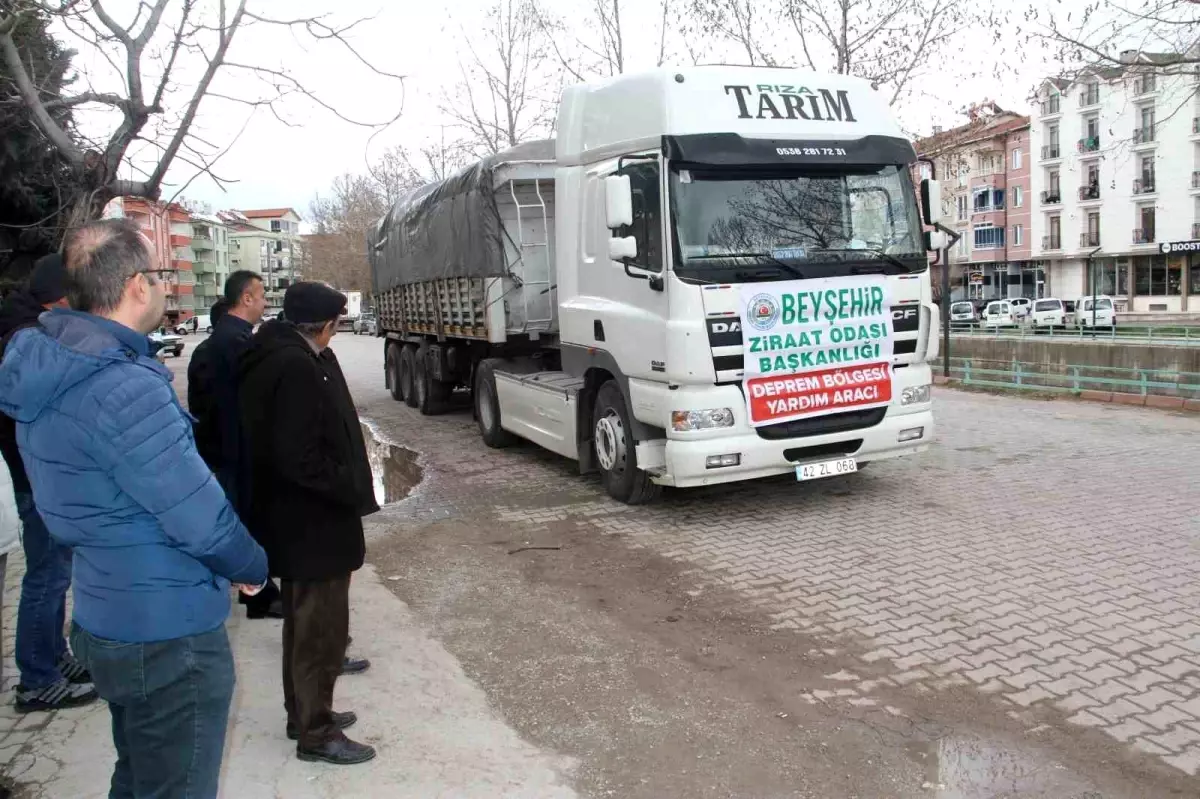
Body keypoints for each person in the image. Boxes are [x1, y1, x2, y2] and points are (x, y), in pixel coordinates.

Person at [0, 219, 269, 797]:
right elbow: (198, 515)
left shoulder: (51, 366)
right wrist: (250, 566)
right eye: (160, 275)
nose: (165, 288)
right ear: (135, 285)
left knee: (139, 776)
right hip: (163, 630)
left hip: (105, 614)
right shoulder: (122, 386)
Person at [239, 282, 379, 765]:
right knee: (320, 630)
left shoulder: (285, 356)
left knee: (302, 625)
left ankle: (304, 712)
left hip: (298, 521)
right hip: (314, 522)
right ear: (324, 325)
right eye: (336, 325)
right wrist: (346, 486)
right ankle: (315, 732)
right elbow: (299, 456)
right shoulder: (295, 366)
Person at [0, 254, 99, 713]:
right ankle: (37, 679)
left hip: (40, 473)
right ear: (60, 298)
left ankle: (55, 658)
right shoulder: (27, 339)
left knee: (56, 575)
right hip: (36, 476)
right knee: (46, 577)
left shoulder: (28, 329)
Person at [199, 271, 286, 620]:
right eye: (262, 295)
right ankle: (258, 593)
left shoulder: (230, 338)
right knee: (245, 522)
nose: (265, 303)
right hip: (237, 450)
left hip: (231, 448)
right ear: (246, 298)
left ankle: (258, 595)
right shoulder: (234, 342)